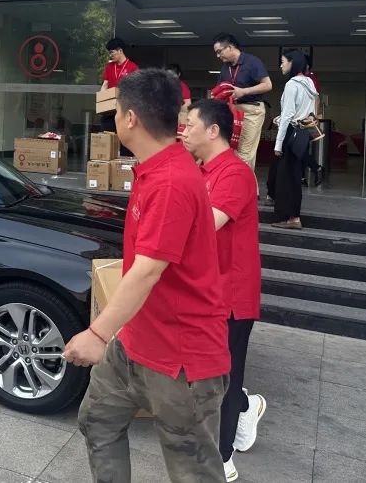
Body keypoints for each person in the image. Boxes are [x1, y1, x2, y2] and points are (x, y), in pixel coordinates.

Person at [66, 69, 228, 483]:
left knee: (193, 471)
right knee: (97, 420)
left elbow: (147, 271)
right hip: (136, 341)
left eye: (116, 110)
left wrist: (98, 333)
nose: (114, 119)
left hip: (182, 358)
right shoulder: (152, 168)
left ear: (131, 118)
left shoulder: (171, 181)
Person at [181, 99, 265, 483]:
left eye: (191, 124)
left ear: (213, 130)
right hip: (205, 291)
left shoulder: (235, 173)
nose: (184, 131)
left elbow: (202, 227)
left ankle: (223, 458)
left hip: (231, 295)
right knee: (205, 372)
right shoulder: (201, 170)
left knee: (223, 377)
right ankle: (247, 406)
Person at [268, 50, 319, 230]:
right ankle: (294, 216)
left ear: (292, 63)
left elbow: (288, 116)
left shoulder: (292, 85)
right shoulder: (309, 84)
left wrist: (278, 144)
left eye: (283, 61)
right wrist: (282, 118)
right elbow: (306, 113)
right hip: (302, 133)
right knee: (295, 176)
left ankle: (291, 218)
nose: (281, 65)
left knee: (285, 178)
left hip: (291, 134)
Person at [213, 33, 272, 170]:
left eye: (219, 51)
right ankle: (247, 183)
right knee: (234, 151)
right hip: (232, 111)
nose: (218, 56)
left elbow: (268, 85)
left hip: (251, 111)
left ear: (230, 47)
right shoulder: (225, 67)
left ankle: (240, 181)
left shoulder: (252, 62)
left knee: (244, 153)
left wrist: (244, 91)